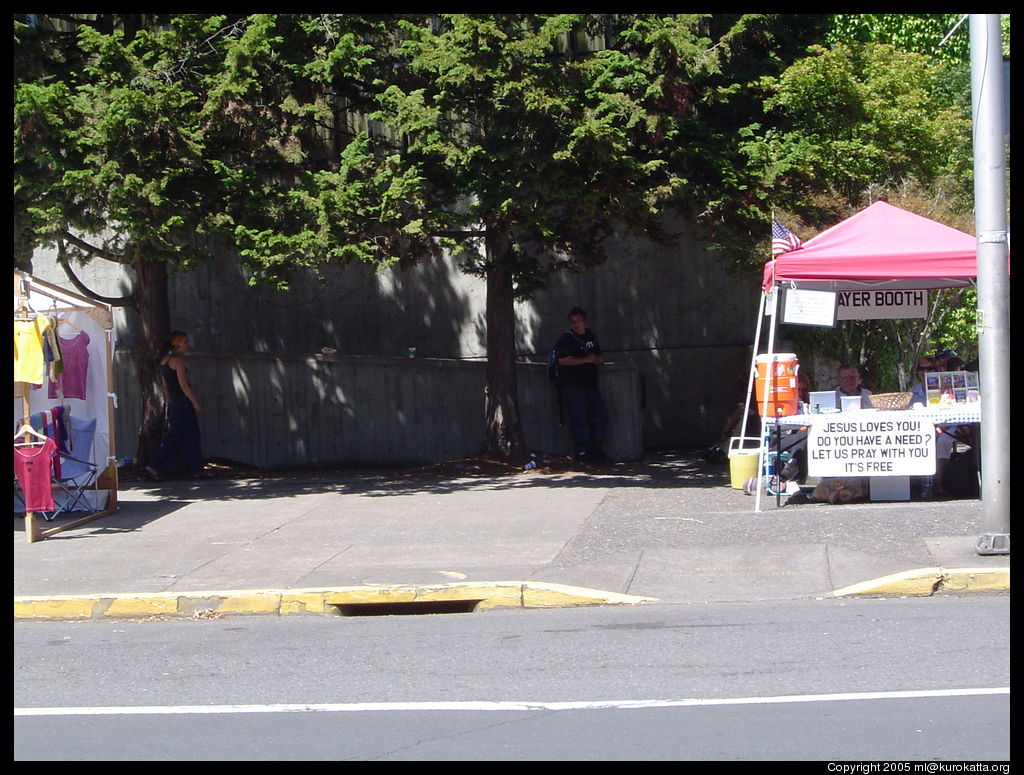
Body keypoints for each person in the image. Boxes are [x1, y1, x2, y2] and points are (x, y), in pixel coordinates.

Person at [145, 331, 211, 480]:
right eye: (185, 342)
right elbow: (183, 384)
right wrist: (195, 403)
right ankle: (154, 465)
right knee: (184, 435)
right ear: (177, 344)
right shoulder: (178, 361)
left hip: (174, 402)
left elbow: (165, 385)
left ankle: (194, 468)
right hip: (183, 402)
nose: (187, 345)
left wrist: (170, 400)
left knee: (184, 435)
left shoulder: (164, 360)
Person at [555, 307, 609, 462]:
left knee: (600, 417)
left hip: (591, 384)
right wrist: (585, 360)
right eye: (573, 322)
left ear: (584, 321)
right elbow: (562, 360)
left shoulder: (591, 336)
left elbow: (596, 355)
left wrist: (597, 360)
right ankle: (582, 452)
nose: (576, 324)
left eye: (578, 321)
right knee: (580, 419)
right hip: (573, 385)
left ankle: (596, 449)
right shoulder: (566, 339)